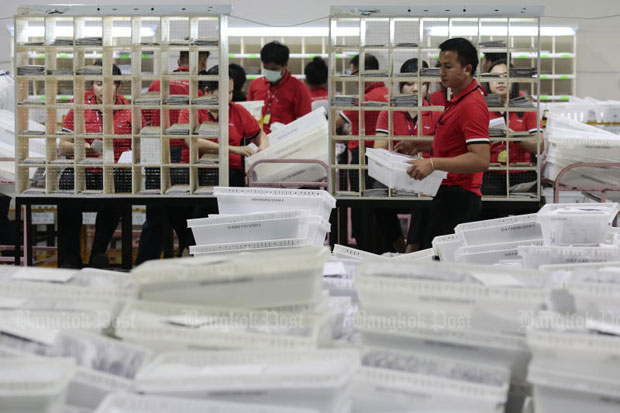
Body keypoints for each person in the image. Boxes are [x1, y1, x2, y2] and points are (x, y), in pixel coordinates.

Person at [398, 38, 490, 249]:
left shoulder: (471, 105)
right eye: (440, 66)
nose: (441, 72)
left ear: (467, 69)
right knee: (421, 253)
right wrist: (420, 146)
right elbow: (454, 143)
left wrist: (433, 164)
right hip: (442, 191)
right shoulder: (457, 99)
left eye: (448, 67)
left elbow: (481, 159)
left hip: (459, 198)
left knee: (441, 264)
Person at [57, 62, 139, 268]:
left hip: (114, 172)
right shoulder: (80, 106)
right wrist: (84, 148)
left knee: (120, 189)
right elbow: (63, 146)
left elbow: (141, 146)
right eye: (97, 83)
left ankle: (98, 254)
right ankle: (69, 257)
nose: (100, 89)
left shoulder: (128, 110)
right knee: (66, 186)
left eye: (106, 84)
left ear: (118, 85)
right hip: (84, 168)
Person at [136, 51, 209, 265]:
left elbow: (145, 118)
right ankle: (185, 262)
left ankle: (144, 266)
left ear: (179, 62)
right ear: (202, 63)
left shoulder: (158, 84)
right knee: (186, 214)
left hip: (157, 153)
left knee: (155, 217)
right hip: (185, 154)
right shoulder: (200, 88)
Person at [374, 58, 442, 253]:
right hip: (395, 174)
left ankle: (412, 249)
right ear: (401, 85)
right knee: (375, 195)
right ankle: (398, 245)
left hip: (425, 173)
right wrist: (392, 155)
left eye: (421, 84)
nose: (415, 89)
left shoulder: (437, 113)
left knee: (425, 194)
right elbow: (379, 148)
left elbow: (441, 150)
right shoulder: (388, 112)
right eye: (410, 84)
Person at [178, 65, 268, 187]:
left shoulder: (238, 111)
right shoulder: (190, 111)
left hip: (231, 174)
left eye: (230, 92)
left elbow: (259, 134)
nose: (228, 97)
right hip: (196, 172)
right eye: (224, 93)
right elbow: (192, 142)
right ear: (207, 91)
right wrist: (232, 149)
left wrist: (263, 147)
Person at [335, 53, 389, 251]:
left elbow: (335, 123)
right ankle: (382, 247)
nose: (353, 77)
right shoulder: (386, 92)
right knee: (377, 202)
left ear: (364, 73)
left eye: (354, 73)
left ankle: (363, 249)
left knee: (360, 204)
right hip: (382, 154)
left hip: (362, 155)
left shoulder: (365, 98)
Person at [482, 59, 541, 196]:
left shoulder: (527, 108)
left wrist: (516, 137)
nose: (501, 82)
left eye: (505, 77)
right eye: (495, 77)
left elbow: (540, 145)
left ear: (513, 80)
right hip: (490, 173)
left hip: (522, 174)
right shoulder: (479, 110)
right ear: (487, 82)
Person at [247, 41, 312, 134]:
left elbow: (305, 122)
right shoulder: (255, 84)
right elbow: (248, 115)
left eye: (274, 69)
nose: (269, 72)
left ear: (285, 65)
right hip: (258, 139)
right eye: (266, 68)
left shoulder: (299, 88)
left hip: (285, 140)